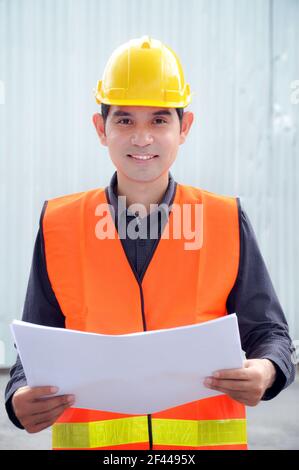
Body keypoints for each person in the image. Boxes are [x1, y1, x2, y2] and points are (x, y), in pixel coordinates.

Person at [5, 35, 295, 451]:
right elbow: (34, 345)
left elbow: (269, 331)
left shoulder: (224, 219)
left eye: (159, 120)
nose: (142, 138)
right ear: (100, 128)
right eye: (124, 120)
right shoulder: (60, 224)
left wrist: (267, 370)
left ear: (185, 128)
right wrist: (18, 398)